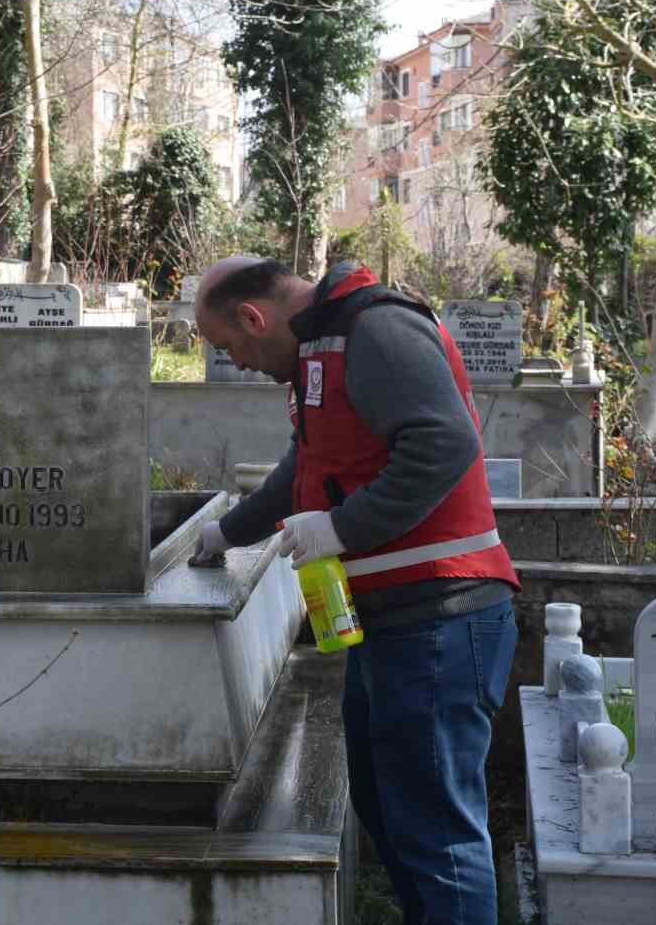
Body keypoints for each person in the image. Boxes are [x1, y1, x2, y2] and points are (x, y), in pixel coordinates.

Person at [191, 256, 520, 925]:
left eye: (231, 347)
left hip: (440, 618)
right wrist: (226, 533)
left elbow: (444, 443)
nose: (241, 364)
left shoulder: (376, 330)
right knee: (388, 810)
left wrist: (341, 527)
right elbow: (305, 471)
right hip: (393, 622)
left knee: (437, 835)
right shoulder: (321, 348)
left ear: (252, 317)